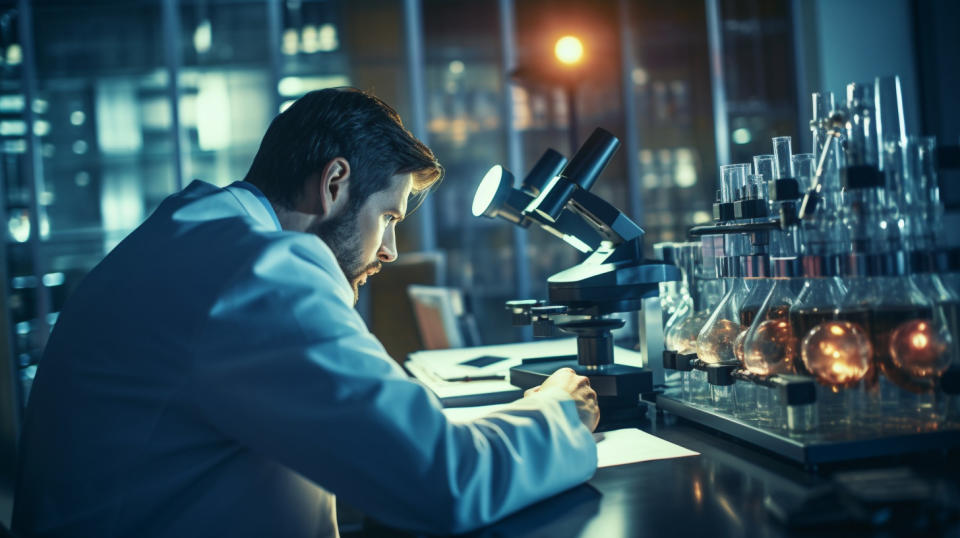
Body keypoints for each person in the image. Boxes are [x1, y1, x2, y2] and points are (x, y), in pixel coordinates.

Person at [12, 88, 599, 537]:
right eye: (389, 218)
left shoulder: (194, 236)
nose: (391, 251)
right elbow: (442, 483)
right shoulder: (255, 271)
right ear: (335, 183)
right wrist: (555, 414)